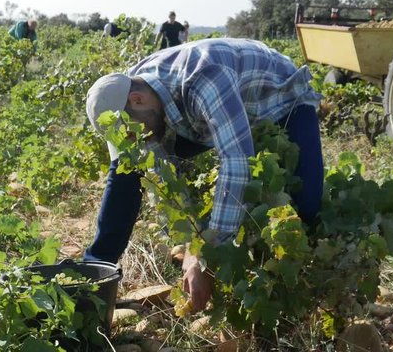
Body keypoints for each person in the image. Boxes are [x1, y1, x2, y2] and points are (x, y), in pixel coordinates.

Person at [84, 38, 323, 314]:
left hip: (279, 98)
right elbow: (156, 175)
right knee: (128, 167)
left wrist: (204, 254)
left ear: (136, 99)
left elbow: (236, 160)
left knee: (306, 202)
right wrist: (192, 237)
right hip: (204, 109)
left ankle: (298, 283)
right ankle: (94, 273)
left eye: (130, 132)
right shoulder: (130, 95)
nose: (134, 139)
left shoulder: (203, 78)